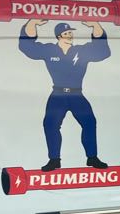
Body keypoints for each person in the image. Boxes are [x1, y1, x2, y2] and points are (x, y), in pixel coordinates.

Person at [19, 18, 111, 171]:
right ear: (59, 36)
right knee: (50, 124)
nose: (69, 36)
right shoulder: (50, 50)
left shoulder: (81, 51)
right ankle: (54, 160)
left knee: (89, 122)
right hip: (58, 95)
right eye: (66, 33)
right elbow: (27, 47)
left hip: (77, 95)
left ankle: (92, 157)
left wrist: (95, 25)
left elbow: (102, 51)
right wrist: (32, 23)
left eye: (70, 33)